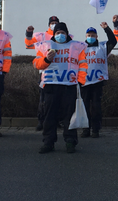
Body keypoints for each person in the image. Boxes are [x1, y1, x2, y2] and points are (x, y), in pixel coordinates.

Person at [33, 22, 87, 154]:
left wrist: (80, 81)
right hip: (51, 86)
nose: (60, 35)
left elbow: (83, 65)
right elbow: (37, 64)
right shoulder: (45, 46)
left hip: (69, 86)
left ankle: (70, 142)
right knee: (49, 116)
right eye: (57, 33)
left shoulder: (76, 47)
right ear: (53, 34)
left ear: (67, 34)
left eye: (63, 33)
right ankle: (48, 142)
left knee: (69, 116)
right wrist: (46, 59)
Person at [79, 23, 116, 138]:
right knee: (84, 107)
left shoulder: (103, 47)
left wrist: (107, 29)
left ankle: (95, 129)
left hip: (97, 82)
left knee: (96, 107)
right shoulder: (80, 48)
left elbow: (113, 41)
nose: (91, 37)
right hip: (84, 82)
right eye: (89, 35)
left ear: (96, 36)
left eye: (93, 35)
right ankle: (86, 129)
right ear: (85, 36)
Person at [25, 15, 60, 131]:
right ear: (49, 24)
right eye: (52, 22)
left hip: (60, 72)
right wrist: (29, 34)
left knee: (58, 98)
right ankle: (41, 120)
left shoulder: (63, 36)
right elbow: (29, 44)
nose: (53, 24)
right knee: (44, 98)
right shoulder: (42, 36)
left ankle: (57, 120)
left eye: (55, 22)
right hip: (45, 71)